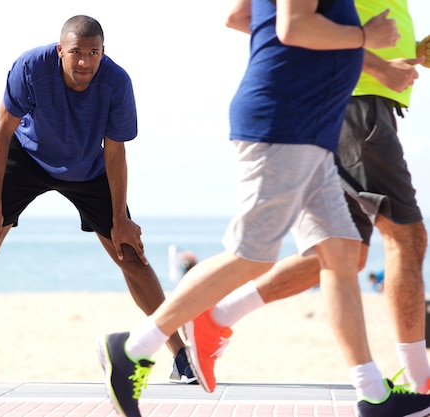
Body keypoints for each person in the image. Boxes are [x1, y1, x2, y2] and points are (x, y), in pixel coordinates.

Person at [96, 1, 430, 416]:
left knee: (341, 251)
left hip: (313, 127)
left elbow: (241, 15)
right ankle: (132, 348)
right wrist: (366, 37)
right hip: (283, 124)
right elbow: (292, 27)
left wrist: (372, 63)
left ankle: (372, 393)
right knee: (251, 256)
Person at [0, 15, 194, 384]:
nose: (84, 61)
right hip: (28, 158)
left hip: (88, 167)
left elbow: (115, 153)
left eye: (93, 53)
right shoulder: (31, 67)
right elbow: (1, 131)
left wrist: (120, 218)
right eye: (76, 53)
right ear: (60, 51)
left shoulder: (116, 82)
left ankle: (180, 357)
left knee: (129, 252)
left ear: (103, 52)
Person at [197, 0, 430, 395]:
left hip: (350, 103)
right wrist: (375, 63)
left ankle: (216, 317)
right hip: (360, 103)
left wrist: (404, 50)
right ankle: (420, 379)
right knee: (405, 238)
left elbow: (244, 15)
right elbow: (282, 23)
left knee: (344, 253)